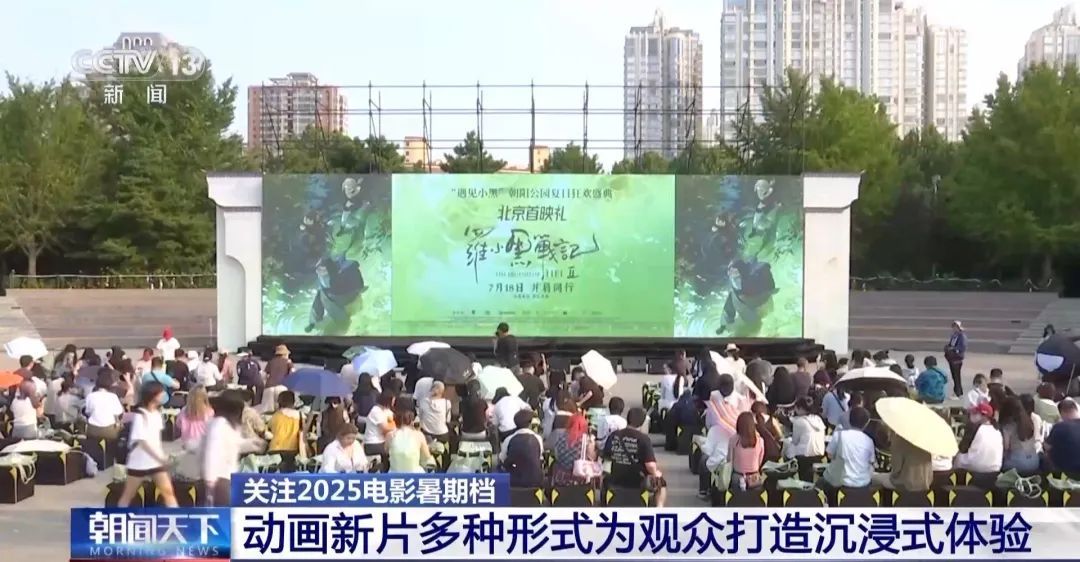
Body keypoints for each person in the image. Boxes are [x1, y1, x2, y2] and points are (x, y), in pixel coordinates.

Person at [116, 382, 178, 507]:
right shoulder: (140, 415)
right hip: (139, 462)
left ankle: (176, 516)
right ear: (153, 395)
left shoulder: (156, 414)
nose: (164, 395)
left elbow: (156, 440)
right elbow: (142, 442)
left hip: (155, 462)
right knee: (129, 494)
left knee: (168, 492)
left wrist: (161, 456)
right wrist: (160, 458)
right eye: (161, 393)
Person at [605, 407, 667, 506]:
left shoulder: (614, 435)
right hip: (637, 480)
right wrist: (656, 473)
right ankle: (659, 508)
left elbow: (606, 458)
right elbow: (650, 465)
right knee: (661, 483)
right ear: (642, 423)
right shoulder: (643, 439)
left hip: (615, 478)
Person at [201, 390, 245, 506]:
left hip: (227, 475)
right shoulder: (219, 424)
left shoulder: (231, 425)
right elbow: (211, 451)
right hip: (219, 477)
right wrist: (210, 478)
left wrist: (252, 444)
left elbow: (234, 444)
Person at [821, 406, 875, 490]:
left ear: (849, 419)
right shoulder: (869, 441)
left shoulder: (839, 435)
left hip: (839, 482)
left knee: (822, 482)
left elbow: (829, 455)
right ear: (866, 423)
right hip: (863, 483)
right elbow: (871, 461)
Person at [783, 396, 826, 480]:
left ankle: (789, 475)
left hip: (805, 455)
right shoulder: (818, 419)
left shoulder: (799, 422)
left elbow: (795, 441)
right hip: (819, 452)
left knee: (788, 447)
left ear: (800, 408)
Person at [548, 411, 596, 486]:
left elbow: (556, 455)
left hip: (561, 479)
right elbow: (592, 458)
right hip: (580, 481)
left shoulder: (561, 436)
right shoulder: (587, 440)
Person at [955, 401, 1003, 474]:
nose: (972, 415)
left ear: (983, 416)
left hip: (977, 467)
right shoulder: (997, 430)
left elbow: (962, 448)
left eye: (975, 413)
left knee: (959, 458)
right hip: (995, 467)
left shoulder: (975, 428)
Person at [500, 409, 544, 488]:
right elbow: (539, 457)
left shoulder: (509, 439)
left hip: (514, 481)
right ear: (530, 423)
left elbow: (502, 459)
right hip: (534, 481)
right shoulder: (538, 438)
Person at [387, 402, 433, 473]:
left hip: (394, 473)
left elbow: (387, 450)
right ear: (412, 421)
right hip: (414, 474)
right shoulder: (418, 435)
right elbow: (427, 457)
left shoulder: (390, 435)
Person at [999, 396, 1039, 474]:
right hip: (1034, 461)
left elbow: (1006, 447)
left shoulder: (1008, 426)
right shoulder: (1029, 422)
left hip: (1017, 464)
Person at [267, 391, 305, 471]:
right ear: (293, 402)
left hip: (275, 450)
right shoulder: (300, 415)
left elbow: (269, 430)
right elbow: (303, 433)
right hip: (293, 451)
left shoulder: (275, 416)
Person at [728, 411, 765, 491]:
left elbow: (730, 461)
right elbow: (760, 461)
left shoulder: (733, 440)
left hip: (738, 476)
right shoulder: (760, 441)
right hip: (755, 477)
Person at [364, 390, 397, 469]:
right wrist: (395, 426)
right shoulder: (376, 411)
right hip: (373, 443)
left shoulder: (388, 411)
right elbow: (385, 428)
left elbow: (392, 423)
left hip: (383, 441)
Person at [1046, 399, 1080, 476]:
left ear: (1062, 412)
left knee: (1047, 454)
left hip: (1069, 470)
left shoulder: (1060, 427)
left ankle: (1054, 477)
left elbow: (1047, 447)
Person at [177, 386, 214, 451]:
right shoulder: (209, 411)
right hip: (203, 443)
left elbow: (178, 424)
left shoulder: (184, 411)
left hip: (188, 442)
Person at [945, 320, 967, 397]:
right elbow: (950, 344)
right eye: (953, 327)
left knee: (956, 376)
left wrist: (953, 349)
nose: (954, 328)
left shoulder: (962, 336)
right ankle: (958, 391)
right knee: (954, 376)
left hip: (957, 358)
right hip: (952, 358)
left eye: (955, 327)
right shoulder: (954, 336)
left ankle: (958, 392)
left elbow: (962, 347)